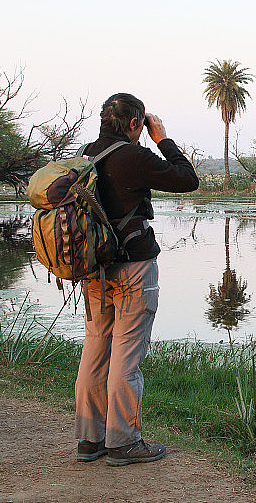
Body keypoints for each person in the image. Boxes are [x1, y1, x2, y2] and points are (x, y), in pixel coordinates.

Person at [74, 93, 199, 466]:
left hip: (94, 270)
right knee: (126, 357)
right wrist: (161, 139)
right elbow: (187, 179)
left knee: (95, 349)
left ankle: (89, 440)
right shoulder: (132, 156)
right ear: (134, 124)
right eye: (141, 126)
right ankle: (123, 442)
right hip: (133, 269)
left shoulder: (86, 156)